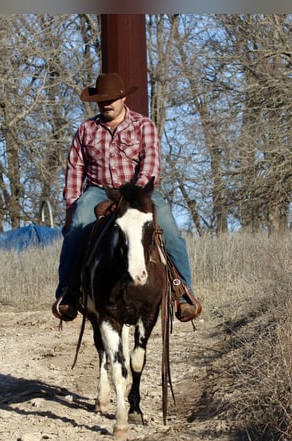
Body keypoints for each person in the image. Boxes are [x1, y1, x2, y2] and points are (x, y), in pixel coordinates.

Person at [52, 72, 200, 323]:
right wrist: (71, 205)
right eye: (101, 100)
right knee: (76, 230)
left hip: (138, 190)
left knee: (171, 232)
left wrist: (134, 196)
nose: (106, 104)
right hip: (97, 190)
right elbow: (75, 168)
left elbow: (151, 163)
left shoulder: (143, 125)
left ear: (122, 98)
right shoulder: (86, 130)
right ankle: (68, 292)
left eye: (111, 99)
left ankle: (182, 293)